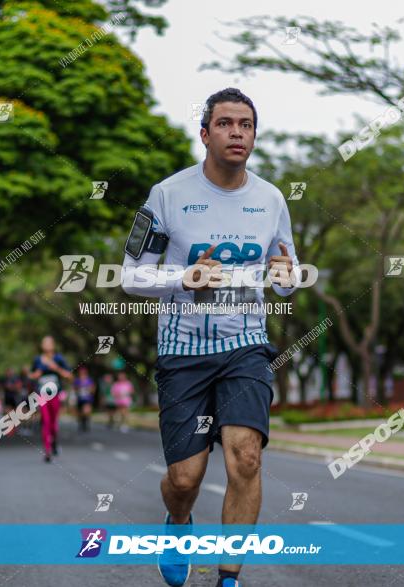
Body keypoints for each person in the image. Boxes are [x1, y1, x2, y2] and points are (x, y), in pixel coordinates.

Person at [121, 88, 300, 587]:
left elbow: (284, 279)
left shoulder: (270, 199)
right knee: (185, 480)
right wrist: (183, 279)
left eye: (245, 124)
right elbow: (130, 276)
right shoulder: (167, 195)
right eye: (225, 123)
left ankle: (228, 577)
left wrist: (286, 273)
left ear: (254, 136)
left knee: (245, 455)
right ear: (205, 134)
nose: (236, 132)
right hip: (184, 353)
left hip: (246, 347)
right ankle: (179, 523)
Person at [29, 335, 73, 462]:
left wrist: (57, 369)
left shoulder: (58, 359)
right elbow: (31, 376)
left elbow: (69, 376)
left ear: (53, 346)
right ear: (42, 346)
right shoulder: (37, 360)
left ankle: (54, 441)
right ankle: (47, 451)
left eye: (49, 343)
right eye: (44, 343)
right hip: (42, 395)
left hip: (55, 395)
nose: (46, 345)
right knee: (46, 422)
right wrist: (35, 375)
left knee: (53, 423)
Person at [73, 366, 95, 433]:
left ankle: (86, 424)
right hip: (80, 398)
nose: (82, 374)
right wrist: (79, 388)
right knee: (80, 413)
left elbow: (93, 389)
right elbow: (75, 389)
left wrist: (89, 389)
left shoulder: (89, 380)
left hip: (87, 398)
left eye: (83, 373)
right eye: (81, 373)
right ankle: (81, 424)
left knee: (86, 412)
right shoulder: (77, 380)